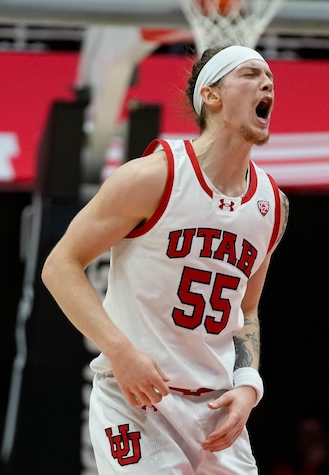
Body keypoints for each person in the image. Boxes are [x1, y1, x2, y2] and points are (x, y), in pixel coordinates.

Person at [42, 45, 288, 474]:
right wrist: (119, 351)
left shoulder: (272, 205)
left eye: (270, 77)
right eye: (250, 74)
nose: (268, 83)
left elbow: (245, 310)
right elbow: (60, 265)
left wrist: (249, 385)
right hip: (137, 400)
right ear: (211, 96)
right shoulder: (153, 177)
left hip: (215, 406)